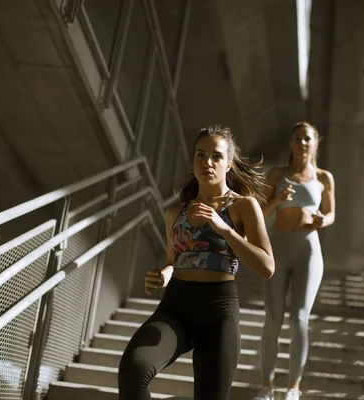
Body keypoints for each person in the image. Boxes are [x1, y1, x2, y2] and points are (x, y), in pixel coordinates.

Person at [118, 126, 275, 400]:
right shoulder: (174, 211)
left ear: (228, 164)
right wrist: (163, 275)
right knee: (133, 369)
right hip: (175, 307)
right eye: (200, 155)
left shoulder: (244, 206)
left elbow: (266, 266)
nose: (207, 163)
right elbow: (173, 261)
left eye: (216, 156)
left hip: (219, 312)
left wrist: (223, 227)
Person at [253, 122, 336, 400]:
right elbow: (259, 215)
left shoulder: (324, 178)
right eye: (297, 138)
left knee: (300, 318)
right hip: (277, 247)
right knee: (273, 319)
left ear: (316, 144)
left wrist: (324, 220)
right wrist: (277, 201)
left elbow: (331, 213)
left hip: (308, 250)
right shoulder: (277, 174)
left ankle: (293, 389)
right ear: (290, 143)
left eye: (307, 139)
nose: (302, 143)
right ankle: (266, 386)